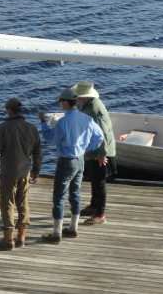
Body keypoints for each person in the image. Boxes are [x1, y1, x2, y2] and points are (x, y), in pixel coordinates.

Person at [38, 87, 104, 244]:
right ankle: (73, 229)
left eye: (60, 101)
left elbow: (51, 140)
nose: (59, 103)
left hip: (66, 161)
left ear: (66, 103)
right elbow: (99, 136)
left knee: (59, 197)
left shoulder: (62, 122)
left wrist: (43, 123)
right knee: (75, 193)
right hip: (80, 160)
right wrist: (87, 149)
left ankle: (56, 234)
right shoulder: (87, 119)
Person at [0, 97, 42, 250]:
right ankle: (22, 236)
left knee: (7, 203)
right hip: (25, 172)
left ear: (9, 111)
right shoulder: (31, 128)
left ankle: (8, 239)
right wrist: (36, 170)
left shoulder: (3, 127)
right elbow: (37, 152)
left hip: (8, 172)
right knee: (23, 203)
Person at [74, 80, 116, 225]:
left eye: (79, 95)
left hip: (100, 151)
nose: (77, 98)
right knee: (94, 178)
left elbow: (103, 133)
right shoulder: (85, 105)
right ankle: (93, 205)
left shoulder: (95, 109)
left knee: (100, 181)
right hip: (92, 149)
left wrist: (102, 154)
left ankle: (100, 214)